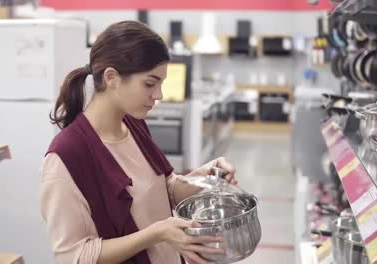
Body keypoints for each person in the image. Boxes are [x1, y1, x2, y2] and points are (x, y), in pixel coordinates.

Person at [39, 21, 238, 264]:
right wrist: (156, 233)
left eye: (161, 84)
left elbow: (162, 190)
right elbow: (76, 256)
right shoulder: (66, 157)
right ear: (111, 77)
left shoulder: (134, 124)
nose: (159, 95)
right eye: (149, 83)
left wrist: (204, 178)